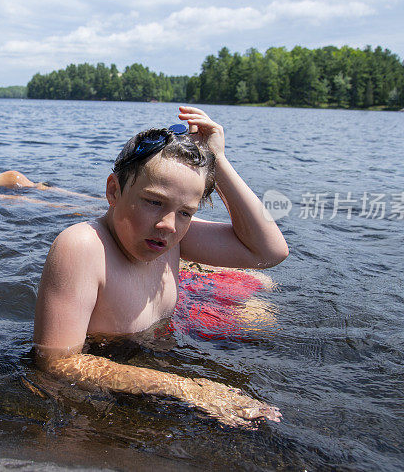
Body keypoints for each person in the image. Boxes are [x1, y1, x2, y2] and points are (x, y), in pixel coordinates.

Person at [32, 106, 289, 428]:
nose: (168, 224)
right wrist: (190, 389)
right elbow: (56, 361)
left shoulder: (174, 236)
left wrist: (218, 160)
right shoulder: (84, 246)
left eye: (186, 212)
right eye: (154, 202)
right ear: (114, 190)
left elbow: (269, 252)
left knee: (262, 311)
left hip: (155, 350)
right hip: (106, 378)